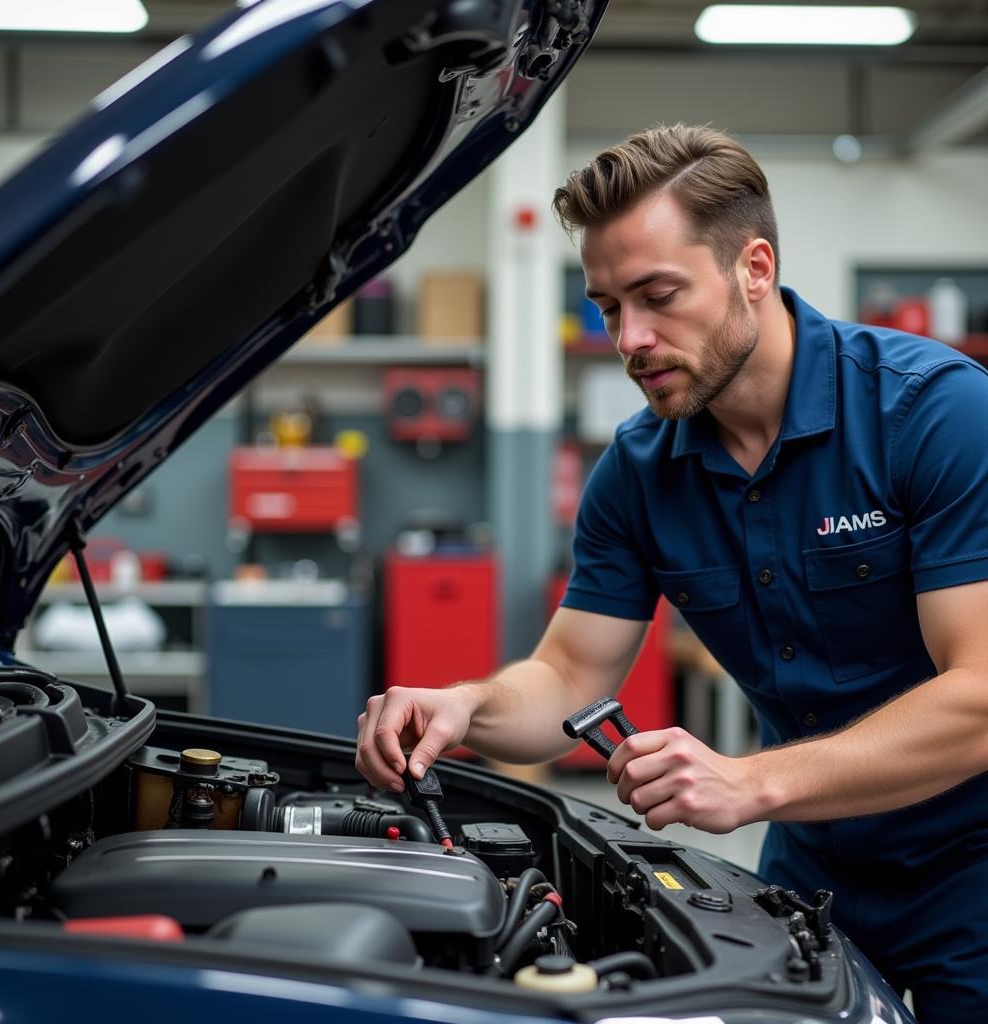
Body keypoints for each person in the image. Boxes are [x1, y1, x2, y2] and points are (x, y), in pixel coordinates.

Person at [355, 124, 988, 1021]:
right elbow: (569, 675)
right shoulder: (639, 473)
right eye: (609, 306)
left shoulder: (935, 414)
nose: (631, 338)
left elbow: (982, 696)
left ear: (754, 267)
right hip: (817, 869)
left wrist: (750, 782)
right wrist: (466, 707)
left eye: (658, 296)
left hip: (975, 867)